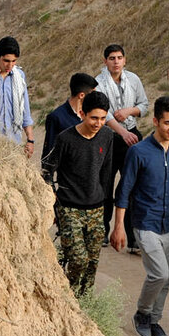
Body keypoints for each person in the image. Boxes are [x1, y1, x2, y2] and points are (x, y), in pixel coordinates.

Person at [111, 96, 169, 336]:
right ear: (155, 121)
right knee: (159, 274)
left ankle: (155, 321)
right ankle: (142, 313)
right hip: (144, 223)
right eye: (167, 123)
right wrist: (118, 227)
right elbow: (124, 191)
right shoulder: (138, 151)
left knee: (166, 280)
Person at [42, 91, 114, 296]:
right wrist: (53, 198)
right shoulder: (65, 139)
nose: (98, 123)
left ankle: (84, 302)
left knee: (92, 263)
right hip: (69, 207)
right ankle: (68, 294)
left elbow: (106, 172)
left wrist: (104, 202)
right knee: (78, 260)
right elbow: (47, 169)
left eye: (102, 118)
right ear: (82, 113)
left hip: (96, 208)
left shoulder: (107, 136)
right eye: (94, 118)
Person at [95, 44, 149, 244]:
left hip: (131, 135)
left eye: (119, 58)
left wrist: (129, 111)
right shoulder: (98, 82)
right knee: (105, 184)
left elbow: (144, 104)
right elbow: (103, 112)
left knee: (131, 185)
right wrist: (122, 131)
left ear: (124, 60)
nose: (116, 62)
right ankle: (102, 231)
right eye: (111, 58)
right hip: (108, 137)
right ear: (105, 61)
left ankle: (132, 235)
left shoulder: (133, 79)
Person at [42, 73, 99, 182]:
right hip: (68, 182)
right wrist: (49, 186)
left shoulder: (92, 116)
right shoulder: (57, 118)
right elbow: (48, 155)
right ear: (81, 95)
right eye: (92, 93)